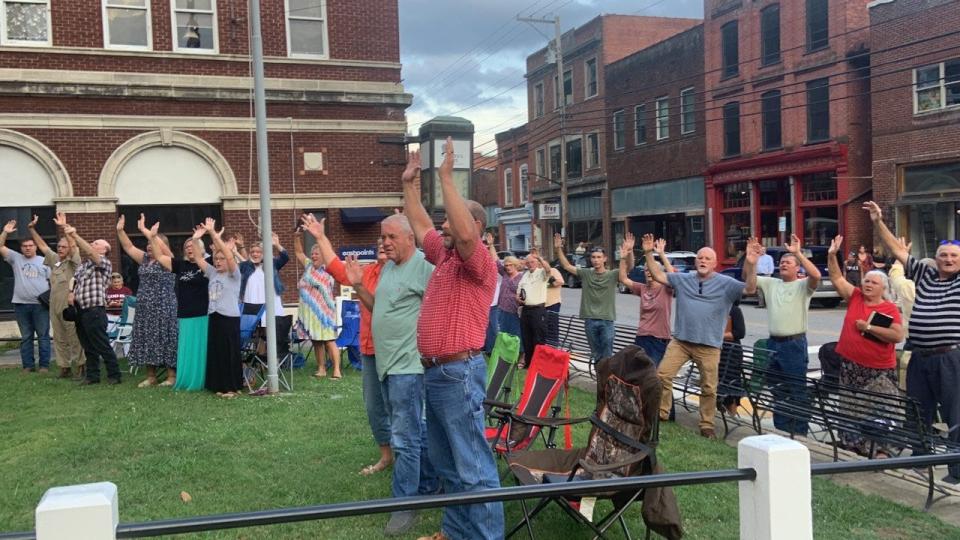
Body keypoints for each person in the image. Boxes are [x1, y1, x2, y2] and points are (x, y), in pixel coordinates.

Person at [402, 138, 503, 540]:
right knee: (448, 465)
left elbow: (460, 234)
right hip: (438, 375)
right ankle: (457, 533)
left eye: (452, 219)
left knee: (473, 467)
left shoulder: (479, 262)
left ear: (476, 227)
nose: (442, 226)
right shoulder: (442, 258)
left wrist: (446, 176)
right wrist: (410, 185)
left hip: (458, 373)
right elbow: (422, 225)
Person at [346, 213, 438, 536]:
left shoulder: (424, 268)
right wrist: (358, 285)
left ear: (409, 239)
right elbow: (378, 308)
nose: (384, 243)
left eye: (390, 237)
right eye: (382, 237)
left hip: (409, 369)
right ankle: (429, 486)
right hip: (388, 366)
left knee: (404, 438)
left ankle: (404, 507)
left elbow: (441, 307)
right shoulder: (388, 269)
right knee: (416, 431)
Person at [865, 201, 960, 482]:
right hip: (919, 356)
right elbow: (897, 250)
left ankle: (956, 469)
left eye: (954, 256)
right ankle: (921, 459)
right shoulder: (926, 274)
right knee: (917, 410)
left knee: (956, 413)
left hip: (950, 357)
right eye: (943, 255)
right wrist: (878, 221)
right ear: (936, 257)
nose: (948, 259)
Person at [302, 214, 393, 477]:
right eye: (380, 245)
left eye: (388, 243)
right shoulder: (369, 272)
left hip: (397, 353)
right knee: (375, 407)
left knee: (400, 407)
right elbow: (336, 266)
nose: (383, 248)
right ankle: (386, 456)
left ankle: (411, 457)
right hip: (370, 351)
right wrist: (319, 236)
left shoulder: (403, 274)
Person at [644, 233, 748, 439]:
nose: (702, 261)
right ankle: (662, 413)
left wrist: (751, 263)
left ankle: (707, 425)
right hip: (681, 341)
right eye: (700, 257)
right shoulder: (684, 280)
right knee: (662, 375)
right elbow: (659, 276)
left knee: (709, 387)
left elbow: (751, 288)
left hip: (709, 346)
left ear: (715, 263)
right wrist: (649, 253)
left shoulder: (726, 283)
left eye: (707, 258)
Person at [827, 233, 904, 457]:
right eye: (867, 281)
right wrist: (832, 256)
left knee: (883, 411)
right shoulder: (856, 297)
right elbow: (837, 279)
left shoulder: (888, 308)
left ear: (883, 287)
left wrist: (868, 328)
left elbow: (897, 335)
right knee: (851, 410)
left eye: (874, 282)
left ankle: (882, 450)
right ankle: (855, 447)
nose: (868, 284)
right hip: (852, 368)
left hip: (878, 372)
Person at [743, 234, 821, 436]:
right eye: (782, 262)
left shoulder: (803, 285)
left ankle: (800, 434)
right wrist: (750, 262)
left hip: (793, 345)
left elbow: (816, 276)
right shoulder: (771, 283)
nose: (784, 264)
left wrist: (798, 253)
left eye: (789, 262)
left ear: (798, 268)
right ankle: (782, 432)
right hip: (773, 345)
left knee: (796, 391)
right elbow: (750, 286)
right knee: (778, 391)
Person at [116, 215, 178, 387]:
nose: (149, 246)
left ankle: (171, 376)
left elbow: (165, 251)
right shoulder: (144, 259)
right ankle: (151, 376)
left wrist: (150, 234)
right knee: (147, 338)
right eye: (148, 243)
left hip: (164, 305)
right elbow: (128, 246)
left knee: (166, 338)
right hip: (145, 307)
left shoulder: (168, 260)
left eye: (153, 243)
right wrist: (120, 230)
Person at [60, 215, 122, 385]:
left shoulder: (104, 262)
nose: (93, 244)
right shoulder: (84, 266)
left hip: (95, 309)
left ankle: (114, 375)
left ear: (104, 249)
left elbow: (89, 251)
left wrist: (75, 234)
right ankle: (93, 376)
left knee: (101, 344)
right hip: (81, 310)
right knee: (88, 346)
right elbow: (74, 254)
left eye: (96, 243)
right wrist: (71, 293)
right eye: (93, 242)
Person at [27, 215, 85, 379]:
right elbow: (43, 246)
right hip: (54, 305)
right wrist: (31, 229)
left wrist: (64, 226)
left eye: (63, 247)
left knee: (74, 338)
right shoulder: (54, 260)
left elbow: (73, 246)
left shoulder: (74, 262)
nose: (60, 249)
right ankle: (64, 367)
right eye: (59, 246)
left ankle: (81, 366)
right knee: (59, 338)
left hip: (69, 307)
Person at [152, 234, 210, 392]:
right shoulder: (181, 265)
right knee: (187, 349)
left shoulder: (208, 263)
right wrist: (151, 236)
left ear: (201, 249)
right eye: (187, 247)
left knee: (201, 349)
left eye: (193, 246)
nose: (189, 249)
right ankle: (186, 379)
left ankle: (203, 380)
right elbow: (158, 256)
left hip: (203, 314)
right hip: (184, 315)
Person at [193, 219, 243, 397]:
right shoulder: (212, 272)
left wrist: (213, 234)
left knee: (229, 353)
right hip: (213, 316)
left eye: (222, 259)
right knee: (217, 352)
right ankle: (220, 386)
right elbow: (198, 258)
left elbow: (230, 257)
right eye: (216, 259)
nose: (219, 261)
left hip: (229, 318)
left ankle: (232, 387)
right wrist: (195, 239)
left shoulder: (234, 275)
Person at [554, 235, 619, 366]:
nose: (596, 260)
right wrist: (558, 249)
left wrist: (627, 254)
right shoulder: (586, 273)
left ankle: (608, 381)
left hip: (607, 320)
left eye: (599, 257)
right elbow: (566, 266)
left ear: (605, 259)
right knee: (596, 354)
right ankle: (600, 381)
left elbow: (628, 268)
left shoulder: (612, 275)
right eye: (594, 257)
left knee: (607, 354)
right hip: (590, 320)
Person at [1, 219, 51, 373]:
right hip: (21, 304)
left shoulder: (45, 261)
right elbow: (1, 246)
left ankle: (44, 366)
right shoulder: (16, 258)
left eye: (30, 246)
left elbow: (53, 283)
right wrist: (5, 232)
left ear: (36, 247)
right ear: (21, 248)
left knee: (43, 336)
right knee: (26, 337)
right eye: (25, 246)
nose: (28, 248)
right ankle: (28, 366)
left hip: (40, 306)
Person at [618, 233, 674, 365]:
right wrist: (623, 258)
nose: (648, 272)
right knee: (639, 372)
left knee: (652, 373)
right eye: (646, 270)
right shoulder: (642, 288)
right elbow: (623, 279)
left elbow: (672, 275)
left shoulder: (666, 287)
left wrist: (661, 254)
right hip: (642, 336)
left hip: (659, 338)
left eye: (651, 270)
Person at [293, 232, 342, 380]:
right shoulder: (308, 266)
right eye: (313, 253)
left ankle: (337, 371)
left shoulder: (329, 268)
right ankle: (321, 368)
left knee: (328, 340)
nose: (313, 256)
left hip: (324, 312)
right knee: (316, 340)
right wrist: (296, 237)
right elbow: (298, 252)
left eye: (317, 254)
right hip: (309, 312)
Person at [237, 232, 289, 325]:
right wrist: (238, 248)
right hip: (251, 301)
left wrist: (277, 244)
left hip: (270, 302)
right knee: (253, 329)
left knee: (270, 327)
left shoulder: (272, 263)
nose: (255, 254)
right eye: (252, 252)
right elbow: (234, 266)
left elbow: (285, 257)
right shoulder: (246, 266)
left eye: (258, 252)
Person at [516, 253, 552, 368]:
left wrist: (540, 258)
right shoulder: (525, 275)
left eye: (532, 262)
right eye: (528, 262)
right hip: (526, 310)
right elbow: (519, 290)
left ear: (537, 263)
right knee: (527, 338)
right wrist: (517, 297)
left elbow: (548, 269)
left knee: (538, 339)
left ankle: (539, 365)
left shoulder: (541, 273)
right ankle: (529, 364)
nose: (530, 264)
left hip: (538, 310)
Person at [718, 300, 746, 416]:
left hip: (730, 353)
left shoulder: (734, 310)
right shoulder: (714, 307)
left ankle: (732, 415)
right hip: (717, 351)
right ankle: (721, 413)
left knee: (730, 388)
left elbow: (740, 333)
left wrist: (718, 335)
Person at [493, 254, 524, 343]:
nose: (508, 267)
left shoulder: (522, 277)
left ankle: (519, 354)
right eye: (506, 265)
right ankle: (505, 354)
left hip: (514, 311)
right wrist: (491, 245)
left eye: (511, 265)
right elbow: (496, 261)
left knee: (516, 335)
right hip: (502, 309)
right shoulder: (505, 274)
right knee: (503, 334)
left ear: (515, 265)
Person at [543, 254, 565, 346]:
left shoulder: (553, 271)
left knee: (552, 326)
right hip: (542, 304)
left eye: (543, 263)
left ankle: (553, 347)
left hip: (553, 303)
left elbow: (560, 282)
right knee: (543, 327)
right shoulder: (538, 273)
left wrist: (549, 282)